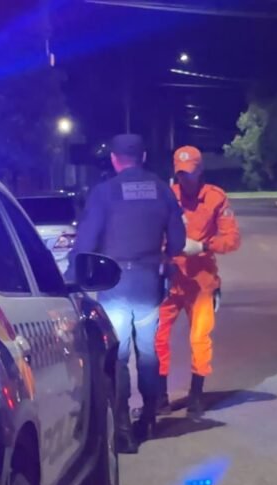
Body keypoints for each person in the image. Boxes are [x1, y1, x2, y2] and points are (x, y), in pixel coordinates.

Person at [66, 133, 185, 453]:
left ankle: (122, 429)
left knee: (117, 356)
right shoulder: (162, 190)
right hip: (148, 282)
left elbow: (86, 241)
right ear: (143, 157)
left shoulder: (104, 192)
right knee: (148, 353)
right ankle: (148, 418)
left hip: (114, 283)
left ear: (114, 159)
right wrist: (162, 255)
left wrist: (72, 277)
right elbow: (177, 242)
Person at [154, 146, 240, 420]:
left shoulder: (215, 198)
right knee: (156, 337)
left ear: (200, 170)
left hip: (201, 281)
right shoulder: (168, 196)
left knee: (199, 338)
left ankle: (196, 395)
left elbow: (231, 240)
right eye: (181, 174)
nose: (185, 179)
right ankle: (160, 397)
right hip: (169, 278)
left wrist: (203, 245)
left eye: (190, 173)